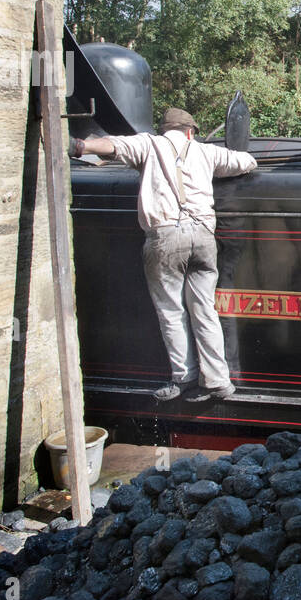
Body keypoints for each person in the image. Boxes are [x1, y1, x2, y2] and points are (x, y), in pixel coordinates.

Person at [70, 108, 257, 401]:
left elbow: (113, 145)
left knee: (172, 311)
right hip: (204, 237)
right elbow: (246, 161)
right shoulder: (206, 152)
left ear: (164, 130)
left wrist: (81, 146)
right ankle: (219, 380)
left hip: (166, 236)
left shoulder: (149, 144)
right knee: (205, 310)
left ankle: (184, 377)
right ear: (190, 131)